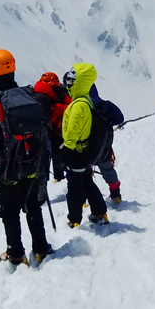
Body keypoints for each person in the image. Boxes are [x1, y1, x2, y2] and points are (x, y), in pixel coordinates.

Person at [0, 49, 53, 266]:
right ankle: (41, 248)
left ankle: (16, 253)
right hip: (33, 165)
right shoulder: (31, 97)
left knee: (9, 212)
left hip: (7, 169)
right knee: (33, 207)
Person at [61, 64, 108, 228]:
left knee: (74, 187)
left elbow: (72, 131)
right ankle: (99, 212)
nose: (68, 84)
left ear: (79, 82)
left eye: (71, 80)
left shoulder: (78, 105)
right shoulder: (85, 101)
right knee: (86, 182)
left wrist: (66, 149)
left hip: (76, 152)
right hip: (84, 150)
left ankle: (74, 219)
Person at [87, 81, 124, 203]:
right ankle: (115, 194)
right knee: (107, 168)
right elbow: (120, 118)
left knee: (82, 172)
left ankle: (83, 198)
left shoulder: (78, 105)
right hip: (104, 145)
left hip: (86, 146)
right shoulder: (105, 104)